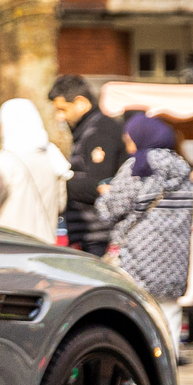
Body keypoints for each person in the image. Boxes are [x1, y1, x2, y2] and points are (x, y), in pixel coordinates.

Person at [101, 113, 193, 307]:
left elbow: (113, 208)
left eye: (130, 141)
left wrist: (104, 195)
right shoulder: (183, 167)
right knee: (170, 323)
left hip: (139, 264)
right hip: (175, 267)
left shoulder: (139, 166)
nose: (128, 147)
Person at [49, 74, 127, 254]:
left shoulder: (99, 131)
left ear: (81, 103)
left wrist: (59, 181)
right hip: (88, 232)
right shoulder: (86, 131)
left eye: (62, 109)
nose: (59, 117)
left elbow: (99, 185)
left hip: (98, 235)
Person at [0, 97, 71, 241]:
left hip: (10, 243)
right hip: (45, 242)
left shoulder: (2, 161)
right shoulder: (53, 157)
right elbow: (61, 204)